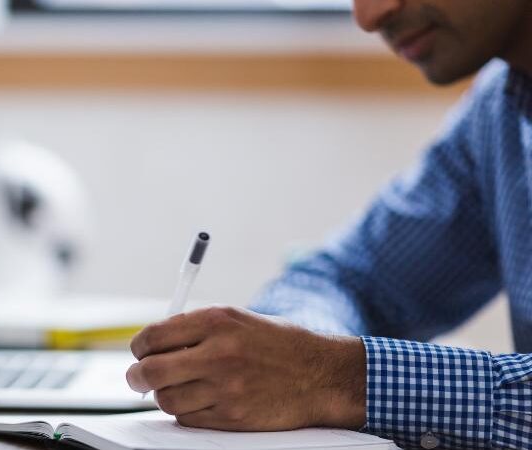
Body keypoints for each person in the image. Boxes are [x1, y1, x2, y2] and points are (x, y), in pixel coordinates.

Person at [124, 1, 532, 449]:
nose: (369, 17)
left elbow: (328, 367)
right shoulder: (502, 109)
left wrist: (335, 377)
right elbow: (349, 280)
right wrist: (288, 355)